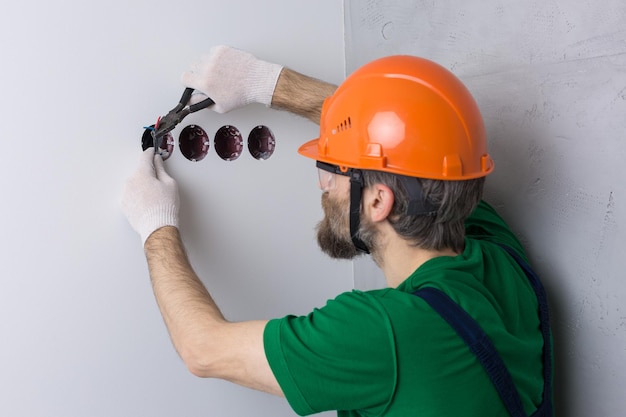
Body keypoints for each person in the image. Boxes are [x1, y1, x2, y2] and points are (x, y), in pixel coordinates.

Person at [121, 45, 553, 416]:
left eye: (332, 171)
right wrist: (267, 83)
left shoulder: (382, 334)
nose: (322, 183)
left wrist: (155, 223)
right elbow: (418, 139)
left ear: (379, 201)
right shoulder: (497, 256)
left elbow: (204, 349)